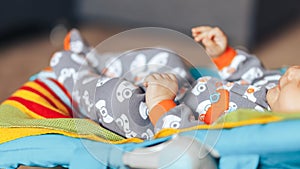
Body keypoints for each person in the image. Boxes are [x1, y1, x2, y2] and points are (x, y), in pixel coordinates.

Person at [144, 26, 300, 132]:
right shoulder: (276, 88)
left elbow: (195, 138)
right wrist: (223, 55)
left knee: (125, 98)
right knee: (165, 56)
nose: (293, 71)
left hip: (160, 118)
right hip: (183, 86)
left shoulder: (252, 126)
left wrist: (161, 102)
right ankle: (122, 67)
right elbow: (252, 74)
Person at [50, 29, 192, 140]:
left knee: (112, 95)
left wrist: (160, 103)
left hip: (152, 121)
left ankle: (80, 70)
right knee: (167, 57)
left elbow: (184, 136)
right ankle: (97, 60)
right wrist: (215, 57)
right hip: (186, 91)